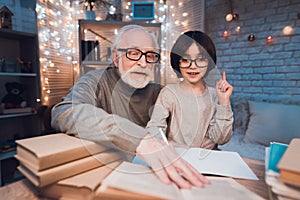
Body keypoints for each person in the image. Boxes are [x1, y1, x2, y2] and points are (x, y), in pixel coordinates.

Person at [51, 25, 209, 189]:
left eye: (150, 56)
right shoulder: (94, 82)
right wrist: (138, 139)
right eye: (133, 53)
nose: (142, 63)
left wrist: (207, 136)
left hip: (153, 181)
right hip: (105, 179)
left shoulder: (160, 92)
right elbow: (64, 111)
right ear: (116, 58)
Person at [147, 30, 234, 150]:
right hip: (176, 157)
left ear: (209, 62)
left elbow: (222, 138)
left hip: (206, 158)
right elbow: (155, 128)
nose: (193, 66)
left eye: (201, 59)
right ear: (178, 62)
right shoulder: (169, 92)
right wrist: (161, 146)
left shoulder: (215, 95)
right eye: (185, 59)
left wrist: (224, 102)